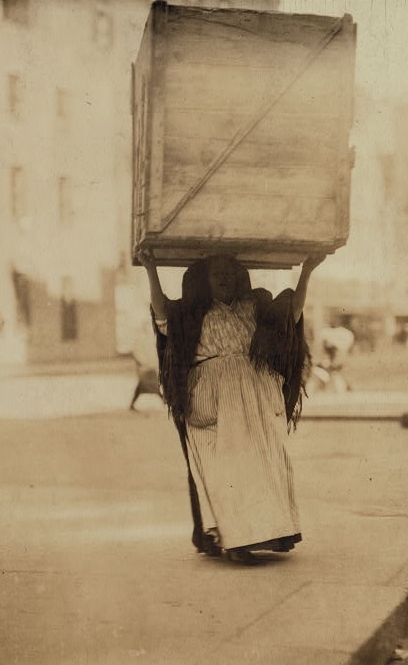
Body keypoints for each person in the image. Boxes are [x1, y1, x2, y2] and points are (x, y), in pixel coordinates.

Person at [135, 241, 325, 564]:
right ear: (204, 279)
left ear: (240, 277)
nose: (224, 278)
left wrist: (307, 271)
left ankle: (270, 532)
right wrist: (150, 268)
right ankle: (234, 540)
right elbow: (162, 313)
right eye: (216, 273)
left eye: (229, 273)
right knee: (225, 469)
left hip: (256, 395)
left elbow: (291, 314)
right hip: (212, 396)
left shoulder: (255, 307)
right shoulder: (193, 314)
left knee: (264, 464)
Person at [129, 316, 161, 411]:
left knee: (147, 386)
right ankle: (132, 404)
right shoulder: (141, 338)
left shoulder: (150, 337)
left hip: (149, 366)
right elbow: (138, 352)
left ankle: (164, 401)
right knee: (143, 386)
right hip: (145, 367)